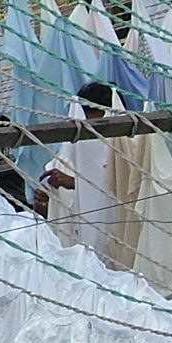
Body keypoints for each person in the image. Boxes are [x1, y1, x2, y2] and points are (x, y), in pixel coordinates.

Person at [41, 81, 119, 257]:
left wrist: (75, 183)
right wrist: (48, 199)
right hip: (82, 234)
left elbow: (119, 186)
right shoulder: (73, 146)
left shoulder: (123, 142)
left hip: (115, 227)